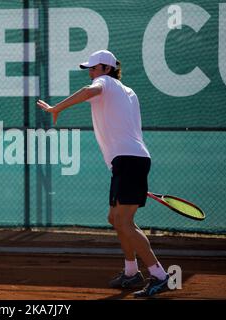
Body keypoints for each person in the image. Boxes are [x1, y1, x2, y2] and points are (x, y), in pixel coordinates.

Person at [36, 49, 170, 298]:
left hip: (129, 161)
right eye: (90, 69)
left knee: (126, 222)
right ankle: (131, 272)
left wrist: (58, 108)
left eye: (94, 68)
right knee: (115, 218)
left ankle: (160, 276)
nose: (91, 73)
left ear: (107, 69)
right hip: (127, 161)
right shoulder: (128, 92)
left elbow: (90, 91)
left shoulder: (105, 83)